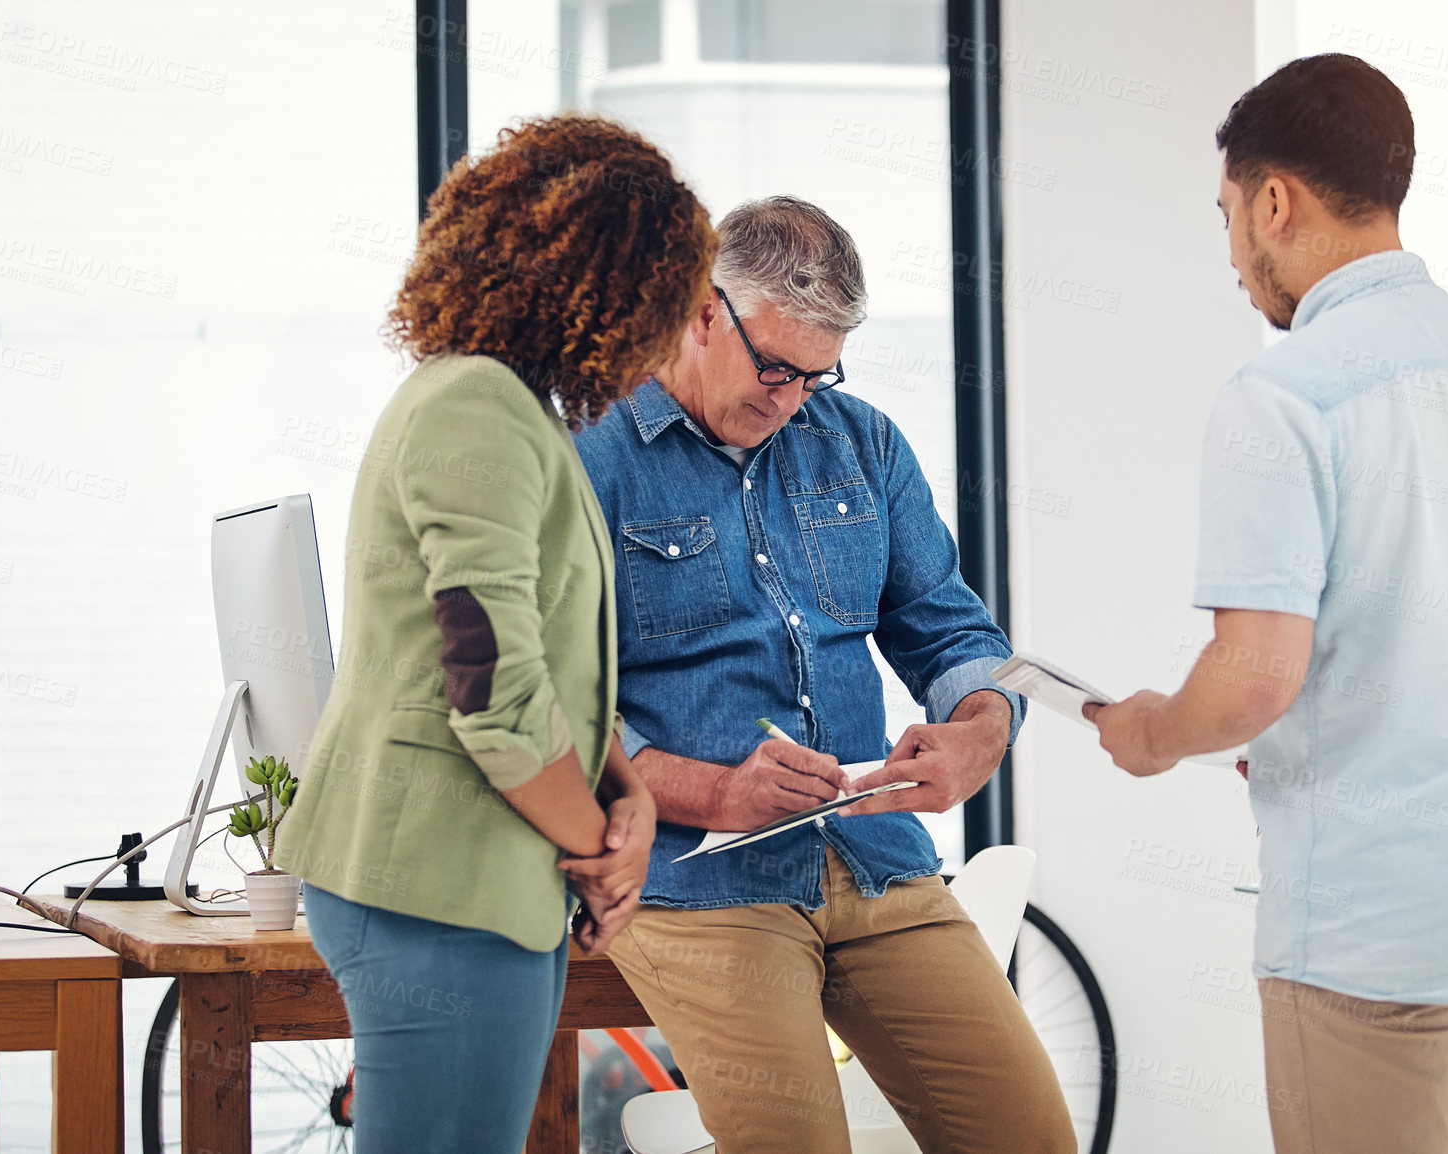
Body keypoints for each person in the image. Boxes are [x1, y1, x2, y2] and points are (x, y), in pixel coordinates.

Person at [1086, 54, 1448, 1154]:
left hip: (1373, 922)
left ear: (1275, 201)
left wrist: (1151, 731)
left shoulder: (1283, 393)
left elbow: (1255, 674)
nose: (1231, 256)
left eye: (1227, 216)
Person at [572, 195, 1075, 1154]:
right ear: (699, 308)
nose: (792, 400)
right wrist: (718, 790)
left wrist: (979, 733)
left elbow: (954, 632)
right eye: (774, 367)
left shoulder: (862, 442)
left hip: (877, 868)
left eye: (818, 373)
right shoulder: (587, 459)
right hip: (695, 885)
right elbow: (550, 714)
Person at [275, 115, 716, 1154]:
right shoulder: (479, 406)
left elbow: (527, 653)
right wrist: (602, 853)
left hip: (461, 884)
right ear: (613, 293)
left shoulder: (503, 407)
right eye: (669, 305)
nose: (668, 339)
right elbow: (489, 687)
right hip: (442, 887)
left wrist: (629, 794)